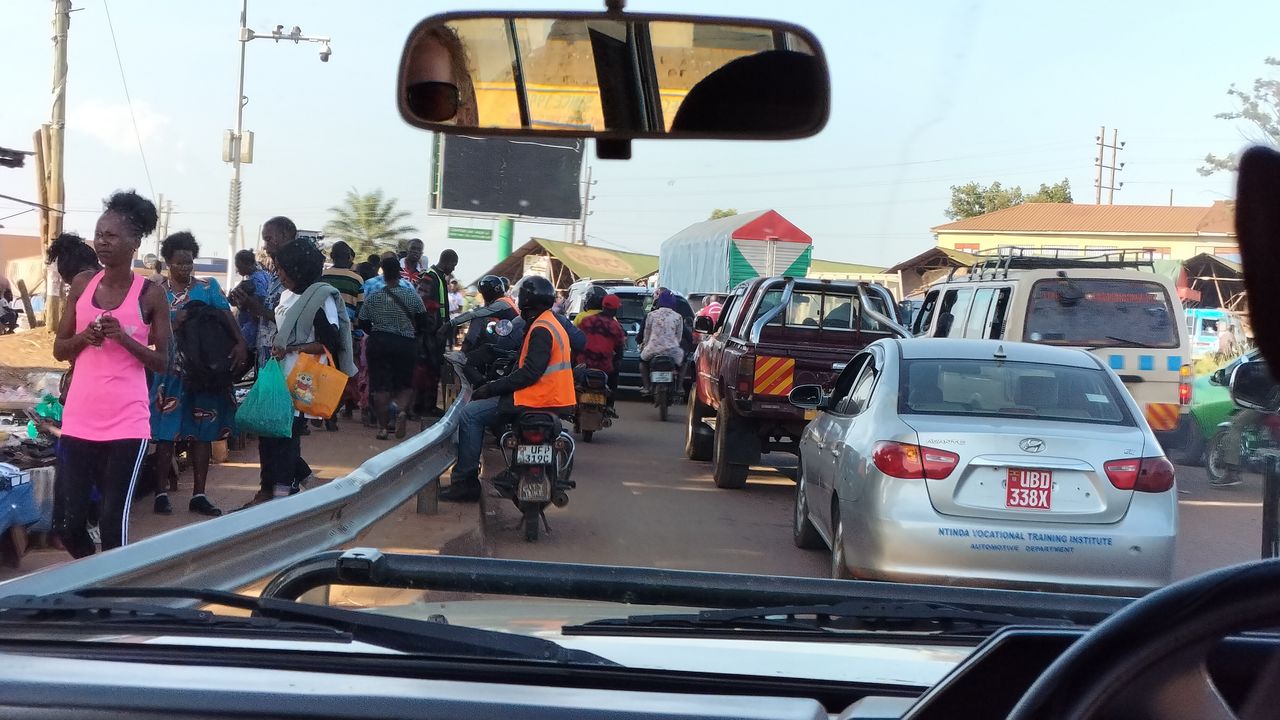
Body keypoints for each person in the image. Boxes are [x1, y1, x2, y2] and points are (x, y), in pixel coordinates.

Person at [52, 190, 170, 557]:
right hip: (78, 420)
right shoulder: (83, 285)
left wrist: (124, 340)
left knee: (110, 522)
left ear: (135, 242)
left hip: (127, 422)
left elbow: (163, 361)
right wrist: (85, 338)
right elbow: (59, 349)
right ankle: (99, 582)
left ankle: (110, 602)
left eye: (112, 235)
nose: (102, 241)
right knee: (68, 527)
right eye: (99, 234)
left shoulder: (150, 294)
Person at [241, 239, 355, 508]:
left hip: (303, 379)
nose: (279, 274)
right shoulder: (286, 295)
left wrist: (292, 347)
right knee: (269, 433)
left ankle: (281, 498)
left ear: (299, 268)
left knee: (285, 438)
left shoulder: (321, 296)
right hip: (280, 374)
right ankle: (274, 488)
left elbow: (330, 342)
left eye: (283, 269)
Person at [443, 276, 575, 503]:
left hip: (534, 398)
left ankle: (465, 482)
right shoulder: (551, 323)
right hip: (553, 399)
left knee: (470, 414)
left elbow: (530, 373)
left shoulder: (541, 328)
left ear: (525, 302)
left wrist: (491, 388)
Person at [148, 232, 248, 517]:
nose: (185, 268)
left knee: (203, 431)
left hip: (205, 370)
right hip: (170, 371)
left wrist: (240, 342)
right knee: (166, 433)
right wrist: (171, 321)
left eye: (189, 262)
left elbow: (226, 317)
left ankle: (199, 494)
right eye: (179, 263)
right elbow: (147, 332)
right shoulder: (156, 292)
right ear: (167, 262)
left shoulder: (208, 287)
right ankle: (160, 493)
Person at [359, 257, 428, 440]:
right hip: (405, 344)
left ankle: (382, 428)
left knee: (381, 386)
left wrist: (376, 330)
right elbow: (423, 319)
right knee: (404, 383)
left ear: (382, 271)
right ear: (399, 271)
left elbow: (363, 321)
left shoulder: (375, 296)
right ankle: (401, 412)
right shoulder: (411, 294)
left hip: (379, 343)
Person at [418, 249, 459, 417]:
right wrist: (434, 329)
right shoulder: (431, 276)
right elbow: (424, 303)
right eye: (454, 265)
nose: (454, 269)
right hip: (430, 334)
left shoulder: (440, 277)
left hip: (437, 333)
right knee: (427, 369)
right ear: (447, 262)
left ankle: (429, 405)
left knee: (433, 370)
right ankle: (423, 406)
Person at [578, 294, 626, 409]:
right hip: (604, 366)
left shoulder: (586, 321)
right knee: (614, 378)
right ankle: (609, 406)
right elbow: (619, 347)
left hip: (584, 363)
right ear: (615, 309)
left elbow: (577, 340)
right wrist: (618, 360)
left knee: (575, 382)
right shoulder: (615, 326)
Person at [452, 274, 519, 353]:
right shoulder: (507, 300)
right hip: (510, 338)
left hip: (509, 343)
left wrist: (451, 323)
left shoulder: (501, 303)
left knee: (478, 320)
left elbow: (475, 313)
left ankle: (463, 354)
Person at [639, 291, 687, 395]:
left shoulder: (651, 315)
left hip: (653, 349)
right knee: (684, 363)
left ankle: (647, 386)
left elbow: (647, 333)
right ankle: (679, 387)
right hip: (672, 350)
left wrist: (645, 345)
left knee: (642, 362)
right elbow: (678, 336)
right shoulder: (678, 316)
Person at [233, 249, 271, 363]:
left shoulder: (256, 280)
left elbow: (258, 304)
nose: (237, 270)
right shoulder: (264, 274)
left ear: (247, 264)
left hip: (252, 328)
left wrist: (242, 304)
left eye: (239, 267)